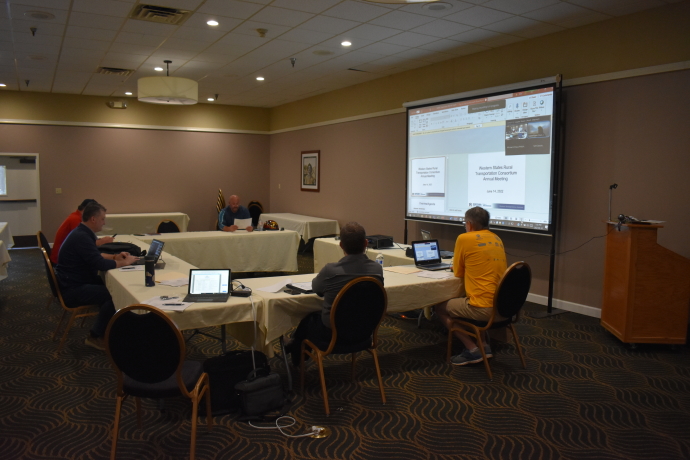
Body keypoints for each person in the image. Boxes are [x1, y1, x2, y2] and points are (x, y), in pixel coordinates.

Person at [284, 222, 384, 366]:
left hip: (333, 335)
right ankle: (295, 348)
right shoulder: (377, 270)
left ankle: (296, 355)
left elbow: (316, 289)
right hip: (365, 332)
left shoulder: (331, 271)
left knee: (309, 320)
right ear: (366, 243)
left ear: (341, 245)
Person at [55, 202, 138, 350]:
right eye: (102, 219)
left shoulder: (82, 233)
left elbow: (96, 255)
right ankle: (95, 336)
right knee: (115, 295)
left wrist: (115, 257)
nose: (104, 223)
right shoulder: (82, 236)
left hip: (74, 281)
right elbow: (99, 264)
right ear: (93, 219)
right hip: (73, 289)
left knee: (111, 289)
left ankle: (111, 329)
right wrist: (124, 263)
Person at [434, 206, 507, 366]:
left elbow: (458, 273)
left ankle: (472, 349)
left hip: (484, 309)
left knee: (439, 308)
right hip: (505, 307)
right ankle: (485, 346)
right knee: (472, 296)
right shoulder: (497, 239)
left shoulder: (464, 238)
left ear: (469, 224)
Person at [51, 199, 114, 264]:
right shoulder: (75, 220)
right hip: (60, 261)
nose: (104, 223)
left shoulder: (75, 216)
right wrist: (103, 241)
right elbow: (83, 243)